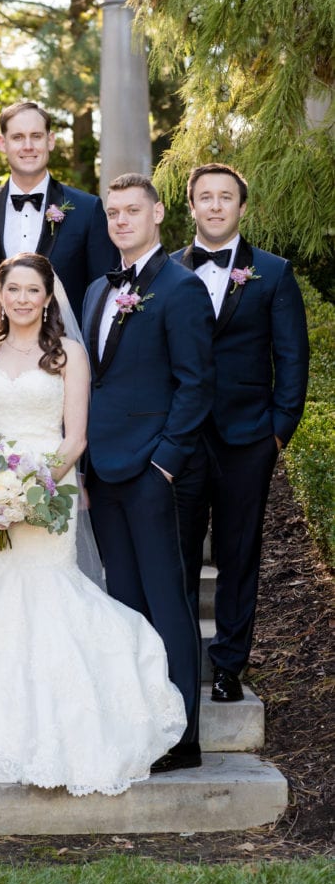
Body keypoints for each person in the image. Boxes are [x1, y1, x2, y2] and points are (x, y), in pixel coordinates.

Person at [0, 252, 187, 796]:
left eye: (32, 291)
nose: (22, 299)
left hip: (50, 492)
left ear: (47, 297)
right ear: (2, 295)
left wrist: (36, 489)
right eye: (12, 289)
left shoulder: (69, 355)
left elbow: (76, 437)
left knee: (47, 591)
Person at [83, 174, 215, 773]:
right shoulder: (93, 292)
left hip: (152, 471)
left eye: (132, 210)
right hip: (103, 471)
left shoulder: (182, 288)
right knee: (125, 603)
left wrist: (165, 461)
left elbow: (196, 384)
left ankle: (183, 736)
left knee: (168, 601)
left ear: (159, 214)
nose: (121, 221)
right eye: (112, 212)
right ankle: (142, 721)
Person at [172, 163, 309, 703]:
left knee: (238, 551)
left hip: (249, 436)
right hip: (183, 438)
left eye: (225, 197)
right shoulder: (166, 271)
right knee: (179, 552)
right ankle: (179, 657)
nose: (214, 206)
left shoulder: (273, 273)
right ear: (191, 207)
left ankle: (229, 664)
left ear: (241, 208)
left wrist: (279, 430)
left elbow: (292, 356)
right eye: (204, 197)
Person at [0, 101, 118, 321]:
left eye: (36, 136)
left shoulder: (87, 209)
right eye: (18, 137)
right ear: (2, 143)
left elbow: (103, 292)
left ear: (50, 140)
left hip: (66, 348)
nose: (28, 146)